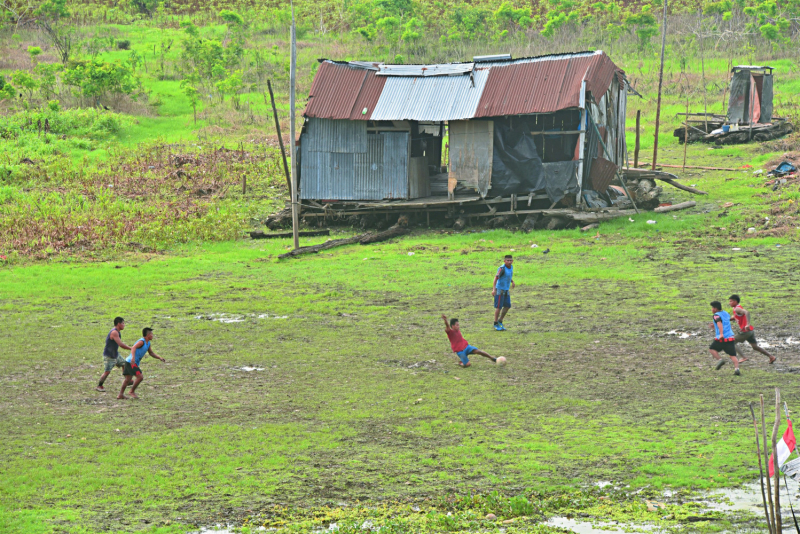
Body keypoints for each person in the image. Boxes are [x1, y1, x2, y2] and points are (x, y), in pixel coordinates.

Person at [118, 328, 165, 400]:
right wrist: (133, 358)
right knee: (140, 377)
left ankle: (120, 395)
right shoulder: (142, 342)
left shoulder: (148, 343)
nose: (153, 335)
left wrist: (159, 358)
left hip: (129, 362)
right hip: (131, 362)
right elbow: (133, 347)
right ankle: (131, 391)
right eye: (151, 334)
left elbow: (151, 353)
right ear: (148, 335)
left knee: (127, 379)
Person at [729, 294, 776, 364]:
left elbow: (746, 312)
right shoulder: (735, 309)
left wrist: (747, 324)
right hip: (750, 331)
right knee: (755, 347)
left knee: (732, 342)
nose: (729, 303)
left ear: (735, 301)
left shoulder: (737, 308)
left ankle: (743, 357)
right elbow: (736, 316)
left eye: (731, 301)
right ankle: (771, 357)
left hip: (745, 331)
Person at [96, 317, 132, 392]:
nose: (124, 325)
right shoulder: (114, 332)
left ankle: (127, 380)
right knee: (107, 372)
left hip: (115, 354)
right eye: (123, 323)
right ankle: (99, 386)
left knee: (124, 364)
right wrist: (131, 348)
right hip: (109, 355)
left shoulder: (117, 331)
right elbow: (121, 344)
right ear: (118, 324)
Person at [709, 301, 745, 375]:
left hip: (722, 338)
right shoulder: (725, 313)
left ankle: (720, 360)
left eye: (712, 308)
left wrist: (721, 334)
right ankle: (737, 369)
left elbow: (720, 323)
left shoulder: (716, 315)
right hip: (730, 337)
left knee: (712, 349)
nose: (712, 309)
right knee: (732, 355)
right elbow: (726, 321)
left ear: (715, 309)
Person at [492, 255, 515, 331]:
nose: (509, 262)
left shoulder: (511, 267)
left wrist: (512, 281)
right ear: (504, 261)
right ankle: (495, 323)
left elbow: (508, 276)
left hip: (506, 289)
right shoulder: (502, 268)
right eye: (507, 260)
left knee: (507, 306)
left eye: (510, 260)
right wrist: (494, 289)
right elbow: (496, 278)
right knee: (499, 307)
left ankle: (500, 321)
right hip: (500, 290)